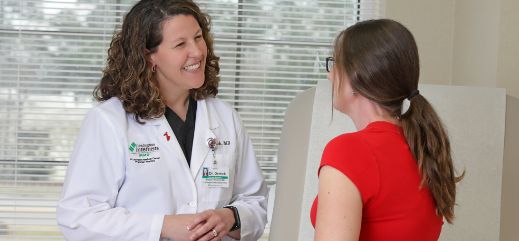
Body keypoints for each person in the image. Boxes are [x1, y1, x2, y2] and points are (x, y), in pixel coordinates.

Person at [56, 1, 268, 240]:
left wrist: (230, 217)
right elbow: (78, 217)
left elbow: (256, 203)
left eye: (198, 38)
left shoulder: (224, 117)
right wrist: (162, 226)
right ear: (148, 56)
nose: (197, 52)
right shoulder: (109, 121)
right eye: (180, 44)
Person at [310, 19, 464, 241]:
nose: (330, 75)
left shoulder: (348, 151)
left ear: (357, 77)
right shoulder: (423, 148)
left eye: (336, 64)